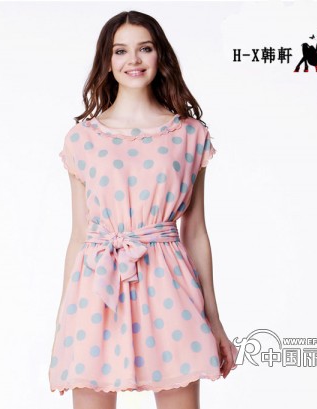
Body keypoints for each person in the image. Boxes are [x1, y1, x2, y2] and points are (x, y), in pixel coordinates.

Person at [48, 10, 238, 409]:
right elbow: (79, 235)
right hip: (96, 290)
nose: (133, 60)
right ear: (107, 60)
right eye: (120, 51)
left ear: (159, 55)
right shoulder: (81, 139)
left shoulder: (189, 135)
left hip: (170, 286)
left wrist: (214, 318)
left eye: (144, 48)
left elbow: (195, 232)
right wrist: (63, 319)